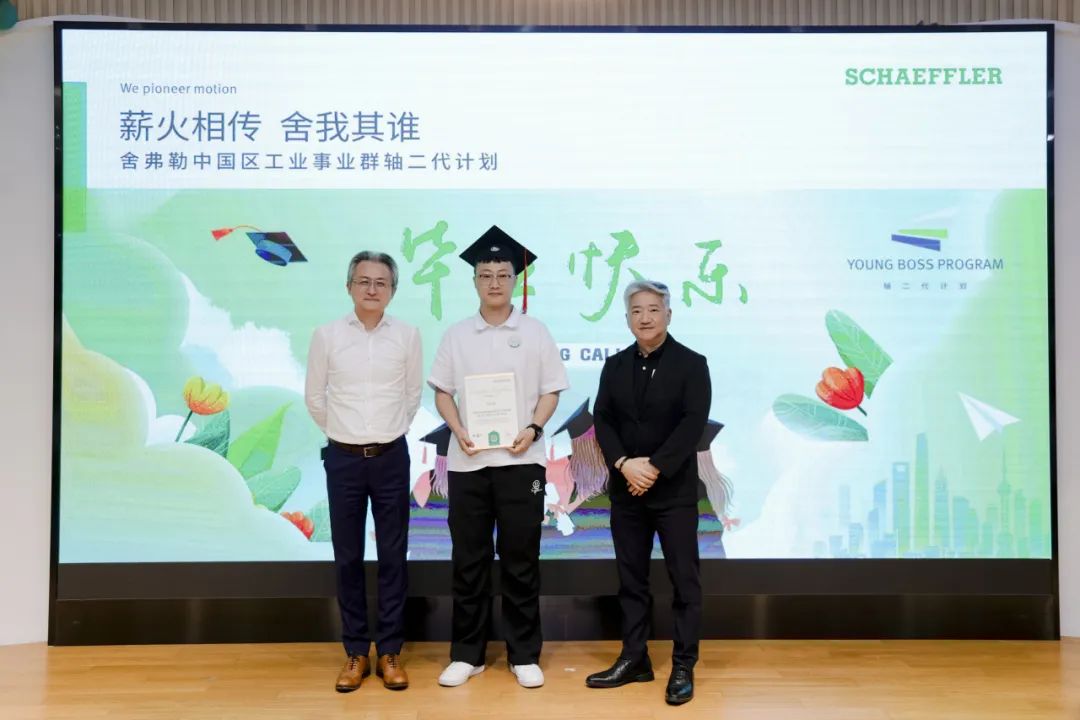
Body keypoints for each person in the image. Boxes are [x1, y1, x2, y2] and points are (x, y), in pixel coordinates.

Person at [427, 225, 569, 689]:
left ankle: (523, 653)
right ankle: (467, 654)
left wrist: (533, 429)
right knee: (468, 560)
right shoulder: (457, 334)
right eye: (485, 274)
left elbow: (551, 391)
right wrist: (458, 429)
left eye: (503, 274)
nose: (494, 282)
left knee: (520, 559)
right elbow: (442, 392)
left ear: (515, 279)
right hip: (468, 462)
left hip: (521, 462)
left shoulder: (535, 331)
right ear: (474, 281)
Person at [586, 279, 711, 706]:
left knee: (684, 581)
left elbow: (693, 423)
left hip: (673, 492)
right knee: (631, 580)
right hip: (627, 492)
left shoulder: (692, 364)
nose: (645, 318)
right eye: (637, 310)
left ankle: (683, 665)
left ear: (668, 315)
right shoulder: (615, 365)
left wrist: (654, 467)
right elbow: (603, 419)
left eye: (653, 309)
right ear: (627, 318)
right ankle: (634, 658)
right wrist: (624, 464)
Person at [304, 251, 421, 692]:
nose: (372, 289)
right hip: (344, 458)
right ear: (349, 286)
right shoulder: (327, 335)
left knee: (393, 556)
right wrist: (344, 433)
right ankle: (355, 652)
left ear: (392, 290)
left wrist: (385, 432)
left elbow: (411, 396)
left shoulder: (407, 335)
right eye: (364, 281)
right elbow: (315, 397)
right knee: (348, 556)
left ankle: (389, 651)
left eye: (381, 283)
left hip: (391, 456)